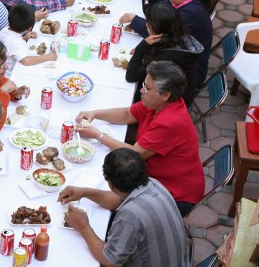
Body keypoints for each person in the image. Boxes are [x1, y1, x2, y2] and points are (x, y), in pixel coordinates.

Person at [59, 149, 189, 267]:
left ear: (111, 183)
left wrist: (84, 227)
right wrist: (84, 192)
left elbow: (110, 262)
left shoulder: (130, 216)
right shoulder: (153, 184)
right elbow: (115, 200)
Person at [74, 60, 205, 215]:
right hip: (156, 174)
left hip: (174, 192)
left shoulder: (169, 122)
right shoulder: (156, 102)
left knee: (115, 193)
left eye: (147, 88)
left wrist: (98, 135)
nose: (142, 91)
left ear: (165, 95)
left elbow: (133, 155)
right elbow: (128, 114)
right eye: (144, 85)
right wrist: (95, 113)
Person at [123, 0, 214, 87]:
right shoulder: (183, 0)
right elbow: (161, 8)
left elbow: (159, 30)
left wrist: (134, 20)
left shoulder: (191, 13)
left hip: (183, 76)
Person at [124, 1, 203, 106]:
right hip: (179, 97)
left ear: (154, 30)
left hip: (170, 109)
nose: (145, 25)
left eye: (147, 23)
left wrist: (141, 49)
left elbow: (131, 76)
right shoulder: (180, 35)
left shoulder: (165, 59)